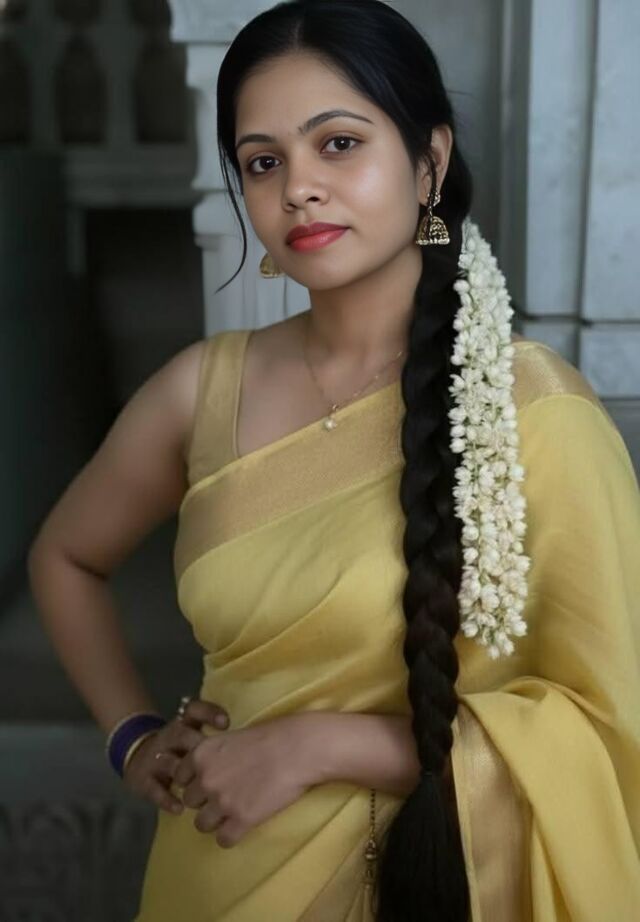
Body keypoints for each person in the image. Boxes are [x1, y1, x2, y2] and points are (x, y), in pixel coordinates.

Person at [27, 1, 640, 920]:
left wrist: (320, 745)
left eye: (339, 144)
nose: (299, 189)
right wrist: (134, 738)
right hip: (214, 876)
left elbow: (605, 726)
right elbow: (66, 558)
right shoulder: (201, 390)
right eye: (263, 162)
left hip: (441, 882)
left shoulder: (535, 413)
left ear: (429, 163)